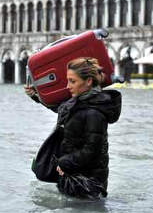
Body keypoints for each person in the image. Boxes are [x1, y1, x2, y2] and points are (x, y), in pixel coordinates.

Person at [25, 57, 121, 199]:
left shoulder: (95, 112)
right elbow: (62, 110)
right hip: (73, 176)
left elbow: (91, 150)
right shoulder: (77, 102)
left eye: (73, 81)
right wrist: (37, 96)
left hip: (89, 184)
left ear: (88, 81)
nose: (68, 86)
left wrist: (63, 162)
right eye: (68, 80)